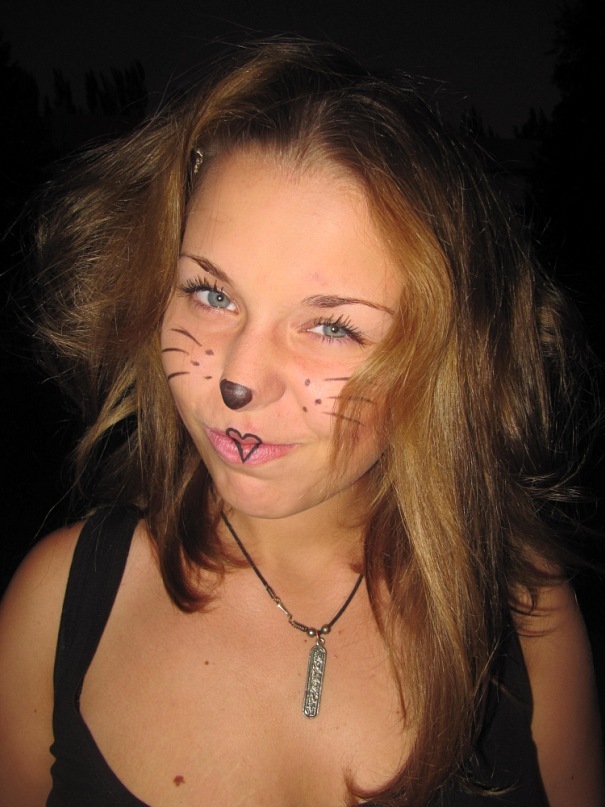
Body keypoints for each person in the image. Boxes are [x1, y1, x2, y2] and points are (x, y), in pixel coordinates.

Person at [0, 39, 602, 807]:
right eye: (211, 293)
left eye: (330, 326)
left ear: (442, 359)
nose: (239, 379)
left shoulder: (524, 615)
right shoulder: (57, 606)